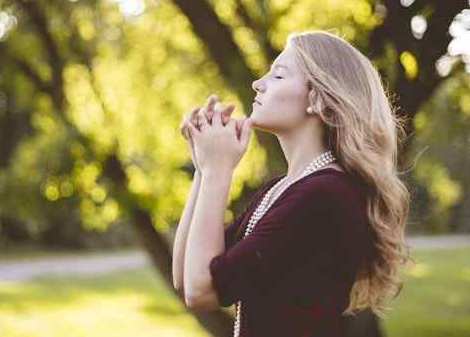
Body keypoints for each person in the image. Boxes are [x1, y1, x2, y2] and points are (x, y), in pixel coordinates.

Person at [172, 30, 413, 336]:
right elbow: (185, 275)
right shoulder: (283, 189)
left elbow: (201, 292)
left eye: (278, 75)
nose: (257, 83)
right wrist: (204, 168)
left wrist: (218, 170)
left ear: (317, 98)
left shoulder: (324, 194)